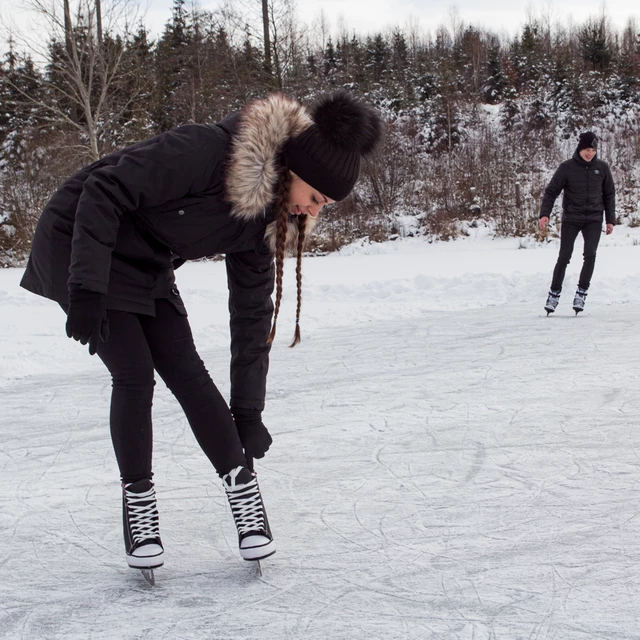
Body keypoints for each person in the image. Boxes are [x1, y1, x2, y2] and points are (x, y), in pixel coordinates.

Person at [20, 91, 382, 575]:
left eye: (326, 206)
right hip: (81, 239)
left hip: (146, 261)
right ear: (294, 171)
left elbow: (251, 316)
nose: (314, 212)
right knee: (134, 373)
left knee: (188, 371)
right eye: (315, 198)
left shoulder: (264, 225)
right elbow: (104, 189)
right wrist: (84, 286)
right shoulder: (206, 151)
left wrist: (249, 412)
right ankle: (140, 510)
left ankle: (244, 494)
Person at [539, 131, 615, 315]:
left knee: (590, 255)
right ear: (580, 149)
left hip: (594, 219)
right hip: (572, 218)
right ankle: (554, 294)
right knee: (564, 256)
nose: (590, 153)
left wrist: (610, 219)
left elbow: (609, 194)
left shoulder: (602, 168)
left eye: (593, 150)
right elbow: (551, 191)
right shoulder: (567, 168)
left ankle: (581, 292)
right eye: (587, 150)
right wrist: (545, 214)